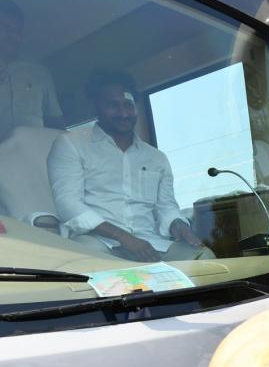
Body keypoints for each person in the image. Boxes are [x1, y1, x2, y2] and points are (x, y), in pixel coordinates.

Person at [47, 69, 208, 262]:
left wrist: (179, 226)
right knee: (86, 264)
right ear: (95, 106)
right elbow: (68, 205)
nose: (123, 113)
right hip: (98, 242)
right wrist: (124, 237)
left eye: (128, 105)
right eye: (113, 105)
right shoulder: (70, 144)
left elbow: (166, 207)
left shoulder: (157, 157)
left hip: (151, 244)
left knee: (205, 258)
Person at [0, 0, 64, 141]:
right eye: (6, 28)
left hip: (33, 157)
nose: (12, 35)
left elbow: (55, 121)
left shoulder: (39, 72)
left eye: (17, 30)